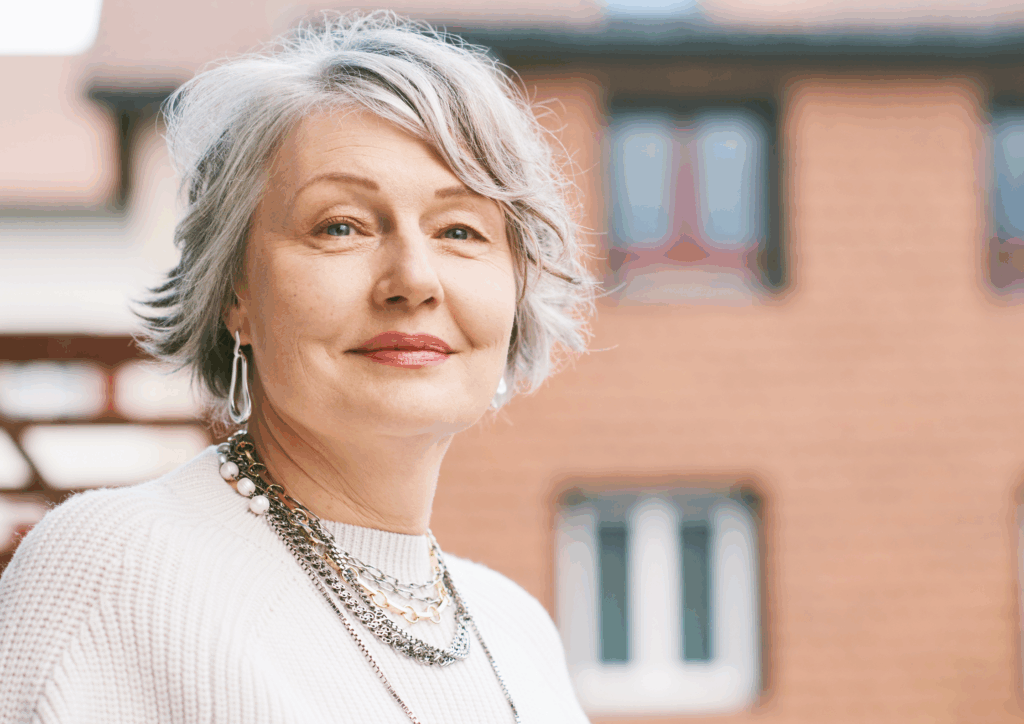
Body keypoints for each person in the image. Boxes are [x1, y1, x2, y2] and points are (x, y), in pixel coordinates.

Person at [0, 12, 594, 723]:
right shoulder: (114, 569)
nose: (413, 278)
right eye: (340, 225)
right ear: (234, 296)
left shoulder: (517, 628)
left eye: (459, 230)